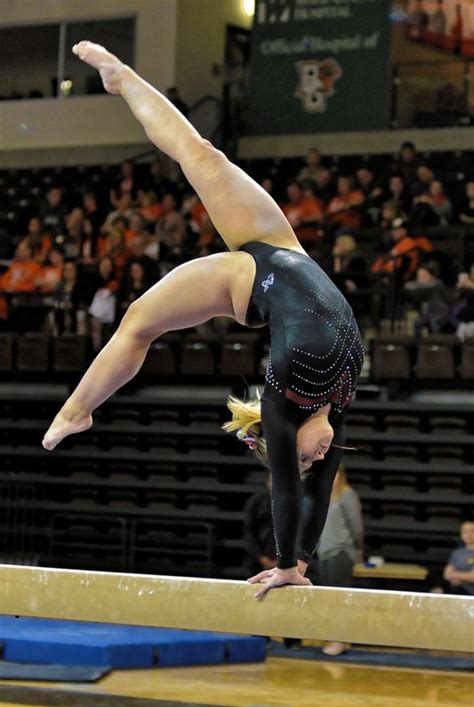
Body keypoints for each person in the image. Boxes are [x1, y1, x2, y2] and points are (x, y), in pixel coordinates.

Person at [42, 41, 364, 598]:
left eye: (303, 457)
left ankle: (77, 408)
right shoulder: (339, 397)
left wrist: (287, 563)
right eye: (318, 459)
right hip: (283, 248)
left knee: (140, 318)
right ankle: (122, 77)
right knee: (201, 152)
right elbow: (315, 489)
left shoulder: (290, 395)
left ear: (283, 437)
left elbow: (290, 489)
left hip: (247, 282)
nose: (318, 458)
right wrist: (301, 562)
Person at [315, 466, 363, 655]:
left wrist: (358, 548)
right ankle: (332, 636)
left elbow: (356, 526)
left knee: (338, 598)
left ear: (341, 475)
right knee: (327, 599)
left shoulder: (347, 494)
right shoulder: (322, 495)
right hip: (324, 551)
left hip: (342, 551)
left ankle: (340, 640)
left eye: (334, 474)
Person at [443, 521, 474, 594]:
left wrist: (455, 576)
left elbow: (473, 577)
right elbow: (446, 574)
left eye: (472, 531)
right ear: (461, 535)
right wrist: (465, 576)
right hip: (455, 590)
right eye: (465, 532)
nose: (469, 535)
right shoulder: (457, 553)